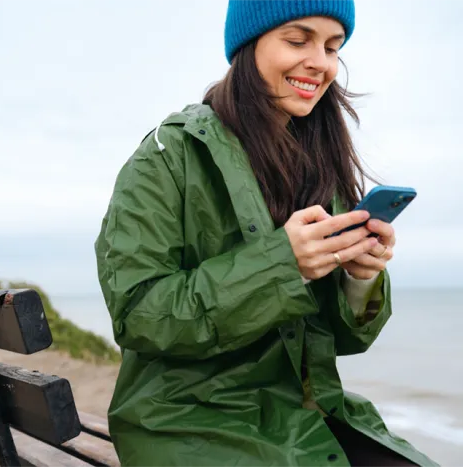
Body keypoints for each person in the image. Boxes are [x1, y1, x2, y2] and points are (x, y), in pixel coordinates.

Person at [94, 1, 439, 466]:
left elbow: (344, 341)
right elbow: (138, 313)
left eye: (333, 47)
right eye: (298, 40)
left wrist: (359, 280)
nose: (320, 62)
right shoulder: (167, 156)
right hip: (186, 422)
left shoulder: (321, 162)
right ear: (247, 46)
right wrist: (285, 265)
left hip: (303, 416)